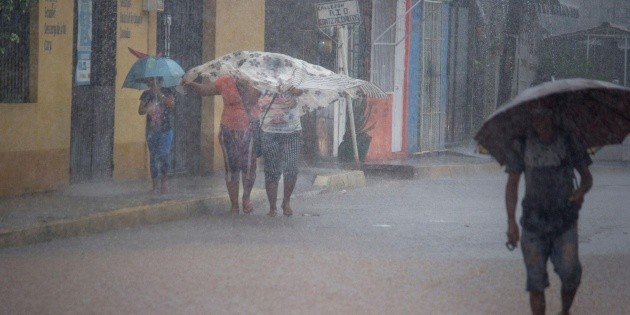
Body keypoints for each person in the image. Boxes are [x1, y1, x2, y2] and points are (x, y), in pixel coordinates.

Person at [504, 100, 593, 315]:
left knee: (571, 274)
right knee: (535, 283)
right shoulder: (522, 143)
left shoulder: (569, 141)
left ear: (553, 115)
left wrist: (581, 191)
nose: (539, 121)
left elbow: (587, 177)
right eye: (535, 116)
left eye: (543, 115)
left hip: (565, 223)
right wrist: (511, 222)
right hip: (533, 225)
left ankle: (565, 311)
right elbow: (512, 184)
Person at [182, 76, 261, 214]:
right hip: (227, 129)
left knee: (249, 166)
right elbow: (206, 90)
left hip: (249, 128)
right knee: (231, 167)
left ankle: (246, 198)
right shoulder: (225, 81)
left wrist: (244, 85)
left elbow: (253, 100)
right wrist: (192, 84)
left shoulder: (255, 81)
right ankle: (234, 204)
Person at [257, 87, 304, 217]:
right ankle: (272, 207)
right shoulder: (262, 75)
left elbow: (302, 89)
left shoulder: (295, 73)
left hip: (292, 130)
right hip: (268, 130)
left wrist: (297, 90)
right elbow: (255, 93)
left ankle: (286, 201)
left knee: (292, 169)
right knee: (271, 170)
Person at [138, 77, 176, 194]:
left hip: (165, 130)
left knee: (164, 156)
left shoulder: (167, 91)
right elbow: (140, 110)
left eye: (154, 81)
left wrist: (159, 93)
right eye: (150, 81)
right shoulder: (146, 94)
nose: (152, 83)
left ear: (159, 81)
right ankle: (155, 185)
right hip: (152, 131)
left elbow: (171, 104)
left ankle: (164, 183)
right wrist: (147, 109)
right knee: (153, 158)